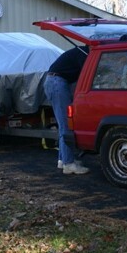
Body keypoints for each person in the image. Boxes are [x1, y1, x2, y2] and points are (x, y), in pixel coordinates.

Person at [44, 45, 90, 175]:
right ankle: (69, 164)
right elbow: (87, 75)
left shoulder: (80, 51)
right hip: (58, 83)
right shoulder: (85, 54)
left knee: (62, 123)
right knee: (66, 124)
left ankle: (62, 160)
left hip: (54, 82)